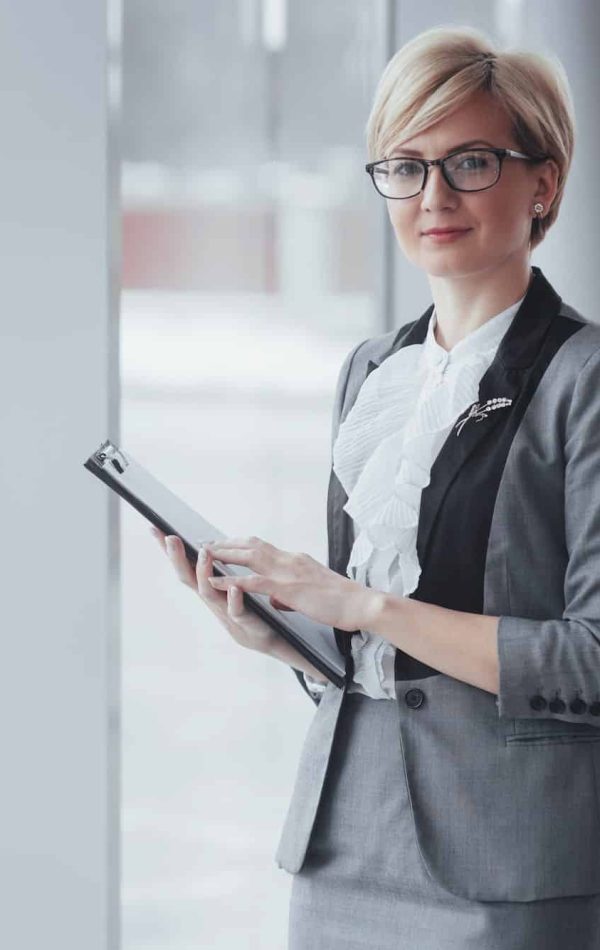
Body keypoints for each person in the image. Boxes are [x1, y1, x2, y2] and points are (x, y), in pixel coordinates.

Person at [152, 24, 600, 950]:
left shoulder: (582, 379)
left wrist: (358, 603)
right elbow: (376, 651)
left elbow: (589, 662)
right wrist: (283, 634)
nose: (433, 194)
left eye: (470, 161)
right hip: (343, 836)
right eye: (404, 166)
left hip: (508, 858)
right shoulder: (373, 372)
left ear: (543, 181)